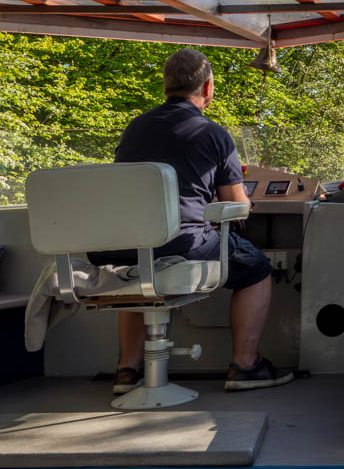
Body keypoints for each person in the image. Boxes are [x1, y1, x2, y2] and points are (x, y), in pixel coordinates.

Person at [90, 48, 292, 394]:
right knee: (256, 267)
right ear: (208, 88)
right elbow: (237, 205)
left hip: (121, 246)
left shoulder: (134, 128)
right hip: (181, 245)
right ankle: (245, 366)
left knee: (142, 271)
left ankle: (127, 371)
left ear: (166, 86)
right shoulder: (212, 134)